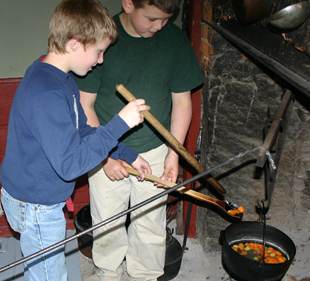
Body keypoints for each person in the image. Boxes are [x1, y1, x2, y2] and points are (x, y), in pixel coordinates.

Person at [0, 0, 152, 280]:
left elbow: (82, 132)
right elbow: (70, 165)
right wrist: (119, 124)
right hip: (35, 203)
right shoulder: (45, 92)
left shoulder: (62, 78)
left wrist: (128, 154)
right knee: (49, 275)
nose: (100, 60)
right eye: (98, 51)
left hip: (41, 196)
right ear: (74, 44)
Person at [74, 0, 204, 279]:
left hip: (157, 149)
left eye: (165, 20)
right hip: (105, 148)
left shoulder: (174, 41)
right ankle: (107, 272)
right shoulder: (102, 38)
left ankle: (144, 276)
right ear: (129, 4)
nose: (158, 27)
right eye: (152, 19)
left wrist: (174, 153)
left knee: (151, 223)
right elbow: (85, 106)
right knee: (107, 222)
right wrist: (106, 156)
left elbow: (182, 103)